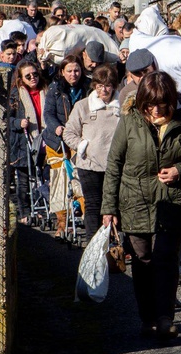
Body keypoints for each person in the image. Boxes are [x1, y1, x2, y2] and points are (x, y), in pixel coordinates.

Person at [102, 71, 181, 341]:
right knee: (143, 263)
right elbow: (114, 165)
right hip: (135, 202)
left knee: (166, 261)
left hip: (172, 202)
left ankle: (166, 317)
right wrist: (108, 208)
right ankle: (147, 318)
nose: (156, 110)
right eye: (150, 104)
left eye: (162, 104)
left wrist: (180, 169)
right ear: (142, 101)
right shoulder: (129, 121)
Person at [63, 64, 121, 241]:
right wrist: (83, 146)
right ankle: (91, 246)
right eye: (100, 85)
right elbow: (69, 132)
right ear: (94, 85)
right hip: (89, 164)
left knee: (116, 206)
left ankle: (117, 245)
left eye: (108, 85)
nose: (104, 89)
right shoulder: (83, 106)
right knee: (93, 206)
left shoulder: (122, 107)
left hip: (116, 164)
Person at [44, 55, 90, 240]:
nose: (73, 74)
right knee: (59, 182)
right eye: (69, 71)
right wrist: (56, 127)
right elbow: (48, 113)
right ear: (62, 72)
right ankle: (61, 223)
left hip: (79, 138)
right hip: (58, 141)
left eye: (77, 70)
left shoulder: (87, 87)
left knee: (80, 178)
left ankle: (86, 220)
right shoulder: (55, 89)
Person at [8, 60, 47, 225]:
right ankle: (25, 212)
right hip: (23, 142)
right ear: (21, 78)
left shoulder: (45, 91)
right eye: (28, 76)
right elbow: (7, 119)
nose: (33, 78)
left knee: (40, 178)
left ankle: (39, 209)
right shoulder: (16, 95)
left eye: (35, 74)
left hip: (43, 140)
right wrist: (18, 123)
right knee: (23, 181)